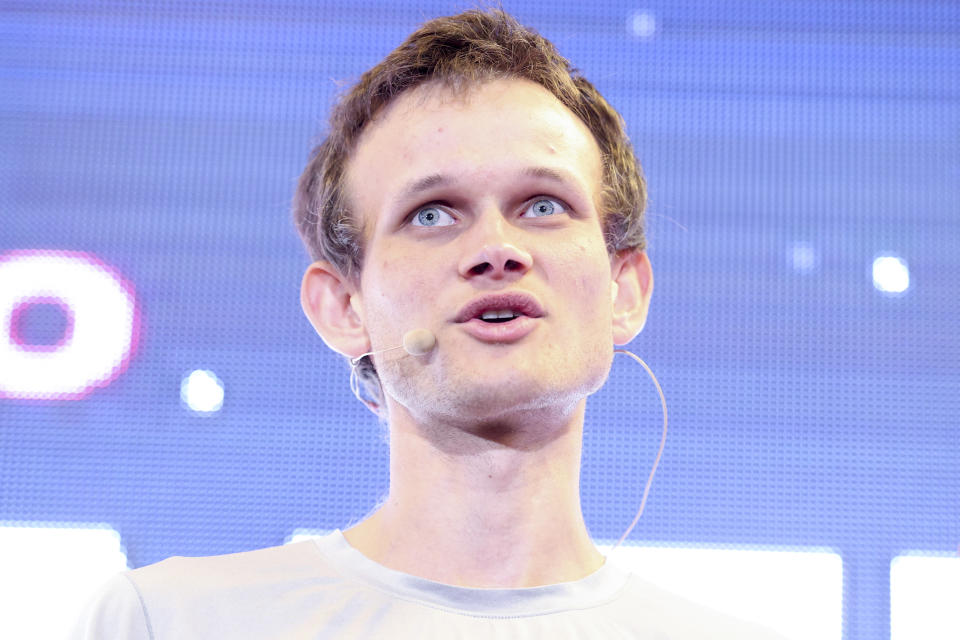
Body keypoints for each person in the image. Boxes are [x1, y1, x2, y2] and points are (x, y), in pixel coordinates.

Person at [71, 9, 786, 639]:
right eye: (432, 214)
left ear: (624, 289)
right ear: (343, 307)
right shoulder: (170, 624)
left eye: (543, 205)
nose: (497, 249)